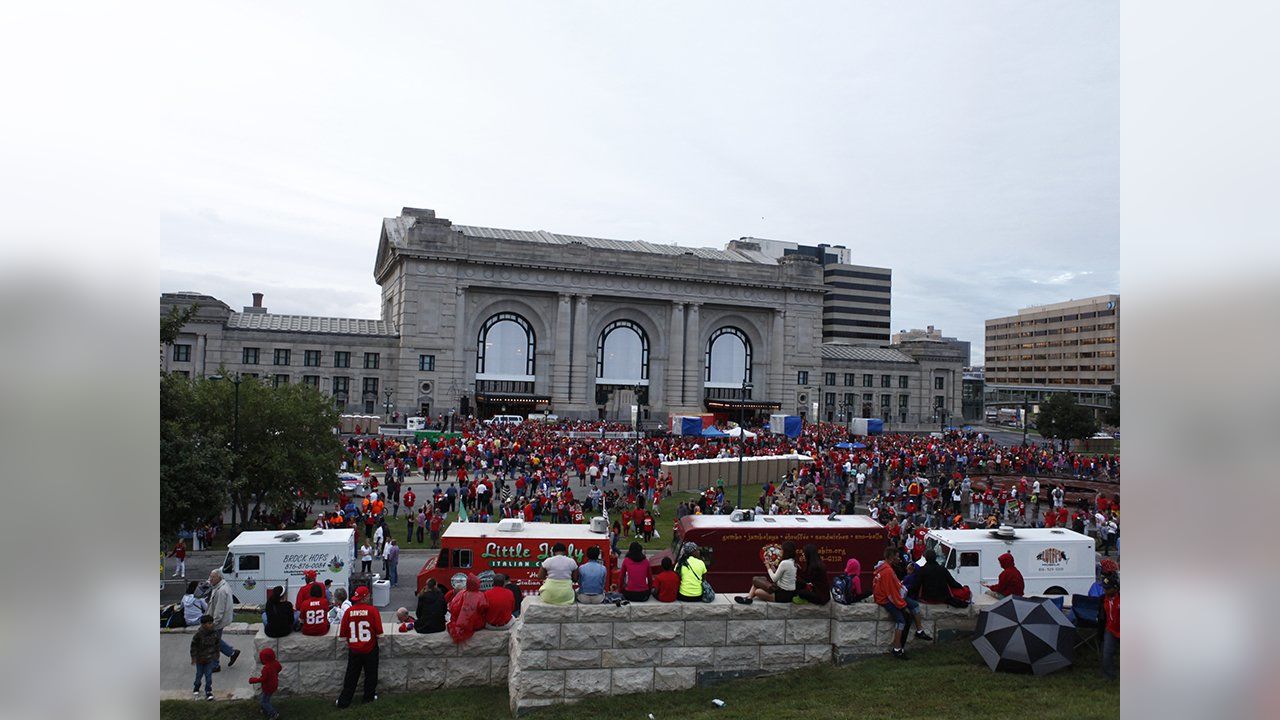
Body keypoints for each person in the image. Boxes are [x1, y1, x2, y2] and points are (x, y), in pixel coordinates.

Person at [336, 585, 382, 707]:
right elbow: (379, 633)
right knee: (371, 675)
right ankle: (368, 698)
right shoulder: (373, 610)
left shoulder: (349, 612)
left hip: (354, 649)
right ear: (365, 597)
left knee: (351, 676)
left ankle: (344, 701)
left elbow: (343, 634)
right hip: (370, 647)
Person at [873, 547, 913, 659]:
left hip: (881, 597)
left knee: (905, 617)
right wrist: (902, 605)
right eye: (897, 556)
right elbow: (891, 593)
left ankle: (900, 647)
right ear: (891, 557)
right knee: (902, 620)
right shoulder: (888, 571)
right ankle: (897, 649)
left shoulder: (882, 567)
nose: (898, 558)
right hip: (885, 599)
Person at [207, 570, 241, 672]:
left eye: (212, 577)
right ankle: (231, 653)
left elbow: (219, 609)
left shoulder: (221, 591)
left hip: (218, 621)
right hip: (219, 620)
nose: (210, 579)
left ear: (219, 577)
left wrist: (214, 623)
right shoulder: (220, 586)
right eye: (210, 577)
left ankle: (216, 665)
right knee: (215, 641)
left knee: (213, 641)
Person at [446, 573, 489, 644]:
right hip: (476, 625)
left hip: (460, 624)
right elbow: (484, 608)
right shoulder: (481, 595)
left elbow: (453, 608)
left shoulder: (461, 594)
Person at [190, 614, 219, 701]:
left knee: (208, 677)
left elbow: (217, 644)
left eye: (211, 623)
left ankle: (208, 691)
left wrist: (216, 654)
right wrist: (193, 658)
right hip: (200, 659)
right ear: (203, 625)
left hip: (209, 659)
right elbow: (193, 646)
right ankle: (196, 687)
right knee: (199, 675)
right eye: (209, 623)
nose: (211, 625)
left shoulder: (214, 633)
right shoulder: (198, 635)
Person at [248, 647, 282, 720]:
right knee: (265, 698)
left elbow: (263, 679)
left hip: (268, 687)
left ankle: (273, 713)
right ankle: (264, 710)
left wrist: (253, 680)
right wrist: (274, 674)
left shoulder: (266, 668)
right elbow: (280, 668)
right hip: (274, 685)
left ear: (264, 659)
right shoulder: (276, 663)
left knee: (264, 701)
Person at [1099, 572, 1120, 680]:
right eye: (1104, 588)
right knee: (1107, 654)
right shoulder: (1103, 598)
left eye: (1108, 588)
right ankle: (1108, 676)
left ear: (1115, 588)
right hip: (1110, 629)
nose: (1105, 591)